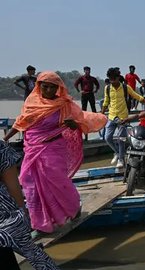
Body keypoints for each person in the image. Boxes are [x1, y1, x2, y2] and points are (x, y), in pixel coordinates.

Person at [3, 71, 107, 233]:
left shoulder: (63, 105)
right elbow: (21, 122)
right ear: (39, 86)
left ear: (58, 88)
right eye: (45, 87)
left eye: (53, 87)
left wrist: (73, 124)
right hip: (32, 148)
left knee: (57, 180)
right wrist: (6, 139)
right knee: (28, 182)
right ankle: (40, 222)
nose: (49, 90)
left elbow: (78, 123)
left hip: (53, 148)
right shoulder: (32, 103)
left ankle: (73, 207)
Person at [0, 141, 60, 269]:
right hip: (7, 220)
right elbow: (13, 186)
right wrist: (23, 214)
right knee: (35, 256)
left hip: (6, 221)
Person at [101, 67, 145, 168]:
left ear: (118, 78)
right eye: (110, 79)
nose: (112, 81)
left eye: (114, 79)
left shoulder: (125, 87)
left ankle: (121, 159)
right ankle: (117, 153)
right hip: (111, 116)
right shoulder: (107, 88)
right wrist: (101, 114)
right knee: (107, 137)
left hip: (123, 117)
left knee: (121, 139)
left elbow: (136, 96)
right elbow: (106, 102)